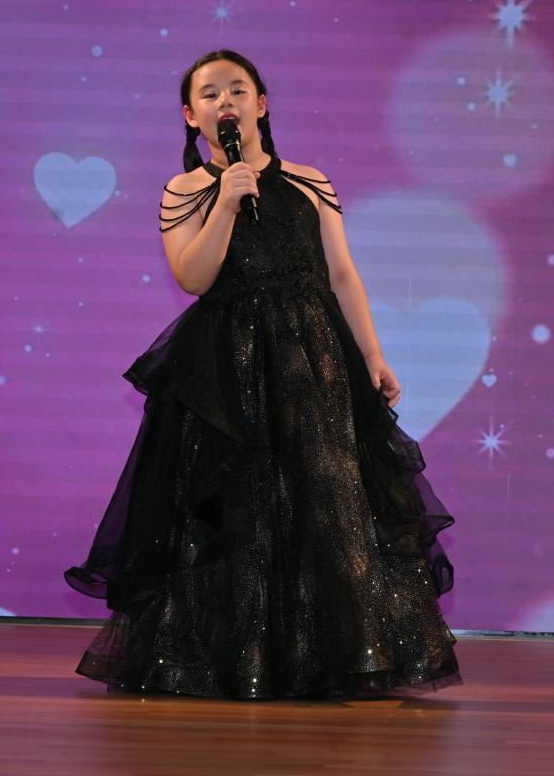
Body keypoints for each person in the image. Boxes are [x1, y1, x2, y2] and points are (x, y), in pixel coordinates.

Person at [65, 49, 460, 700]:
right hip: (226, 371)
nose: (226, 101)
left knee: (327, 500)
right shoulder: (185, 190)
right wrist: (224, 201)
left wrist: (372, 355)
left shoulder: (309, 182)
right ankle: (232, 660)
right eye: (210, 93)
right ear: (190, 115)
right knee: (237, 508)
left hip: (312, 360)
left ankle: (337, 657)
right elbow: (193, 276)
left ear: (261, 104)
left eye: (238, 89)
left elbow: (341, 274)